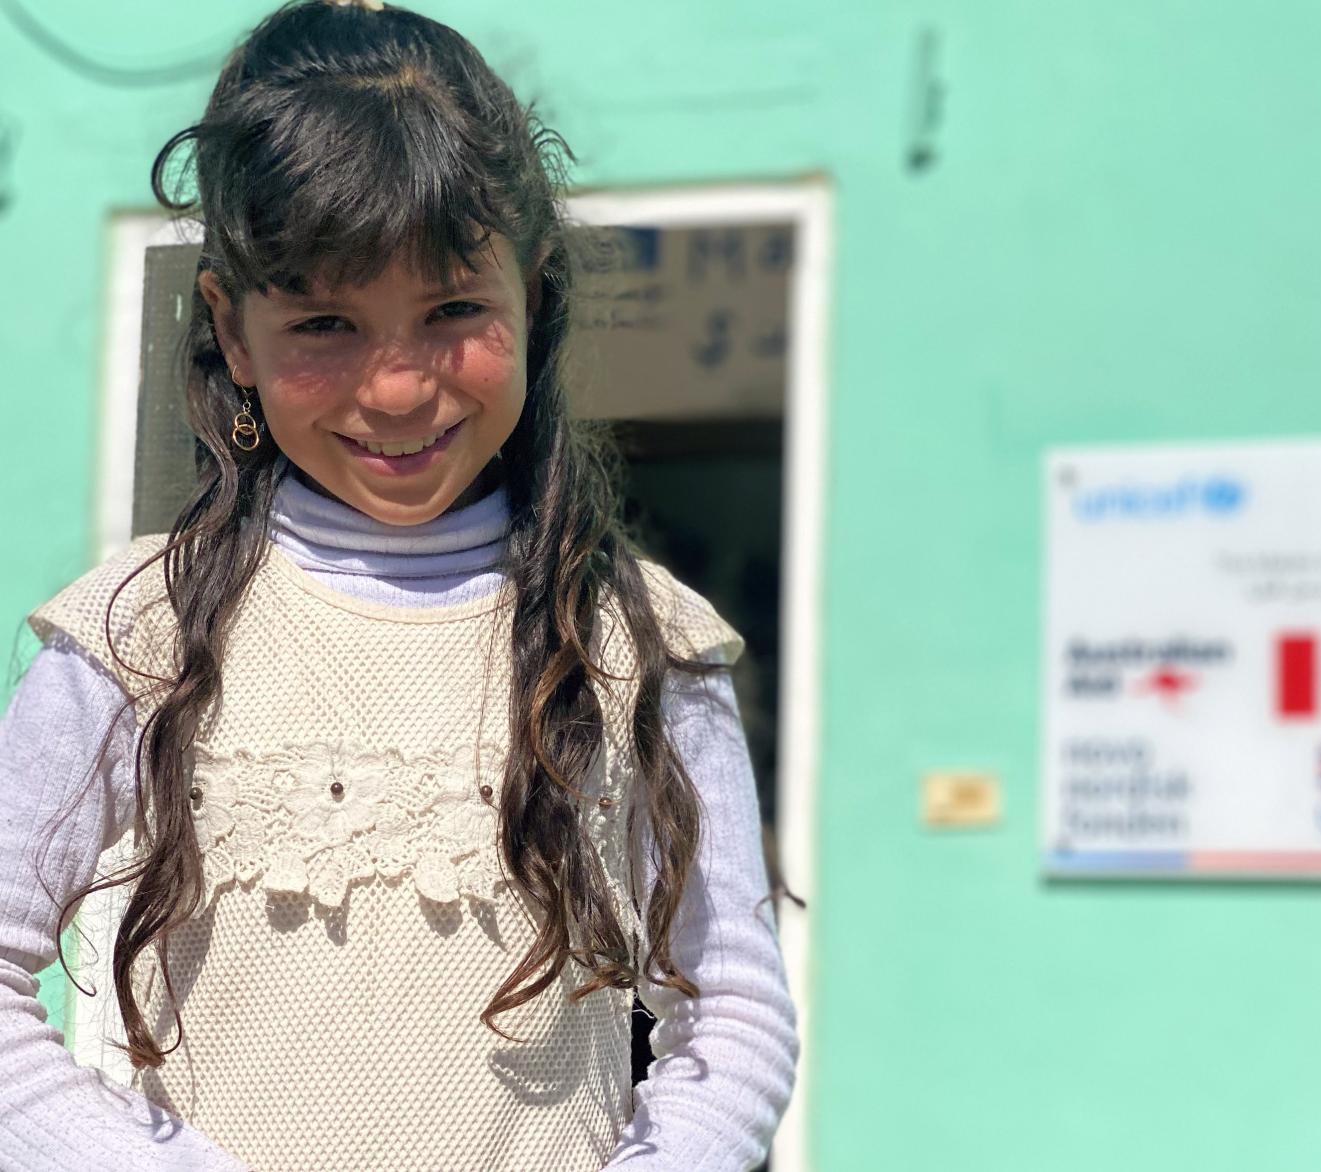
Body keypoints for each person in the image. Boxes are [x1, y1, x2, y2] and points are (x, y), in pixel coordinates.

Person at [0, 2, 799, 1169]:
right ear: (229, 324)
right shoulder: (139, 635)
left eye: (453, 311)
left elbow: (734, 1003)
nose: (397, 388)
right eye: (325, 320)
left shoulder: (635, 642)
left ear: (533, 290)